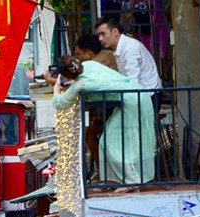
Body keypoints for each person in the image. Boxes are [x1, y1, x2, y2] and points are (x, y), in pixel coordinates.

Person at [53, 55, 156, 185]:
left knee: (109, 143)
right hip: (138, 93)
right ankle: (118, 180)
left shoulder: (80, 85)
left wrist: (56, 87)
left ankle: (132, 181)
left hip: (131, 101)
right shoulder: (90, 64)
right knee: (122, 141)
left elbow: (60, 103)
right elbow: (102, 79)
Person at [95, 18, 161, 91]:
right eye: (99, 35)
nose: (100, 38)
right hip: (143, 93)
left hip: (148, 94)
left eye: (103, 34)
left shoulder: (129, 48)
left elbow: (133, 82)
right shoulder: (122, 46)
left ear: (115, 32)